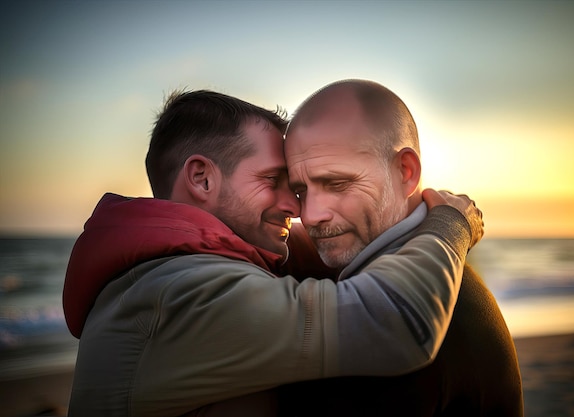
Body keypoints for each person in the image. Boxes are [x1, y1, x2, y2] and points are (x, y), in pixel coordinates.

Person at [62, 90, 484, 417]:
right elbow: (396, 322)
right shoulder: (182, 292)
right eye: (272, 180)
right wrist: (450, 224)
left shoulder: (170, 267)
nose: (298, 207)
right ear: (201, 178)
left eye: (297, 187)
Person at [277, 79, 523, 416]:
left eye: (336, 184)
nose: (311, 215)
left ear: (405, 172)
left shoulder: (411, 322)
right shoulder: (426, 271)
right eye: (301, 191)